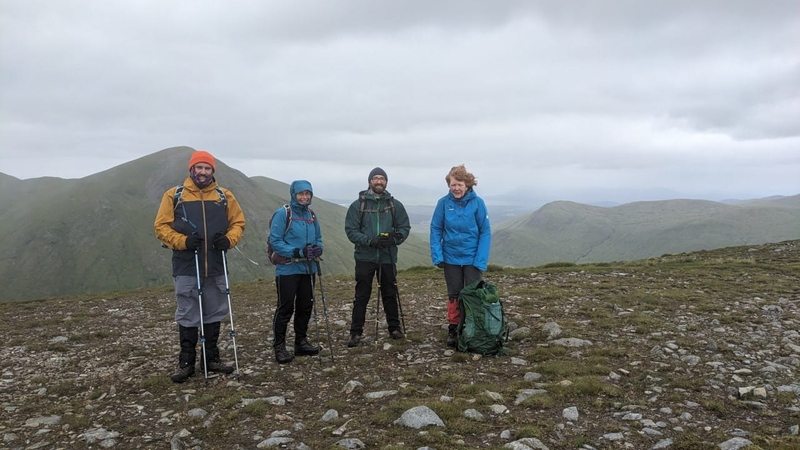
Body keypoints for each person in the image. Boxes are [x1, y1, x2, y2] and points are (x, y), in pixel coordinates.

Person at [154, 150, 246, 383]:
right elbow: (161, 227)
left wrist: (229, 240)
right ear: (191, 170)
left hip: (215, 264)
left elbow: (238, 223)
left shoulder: (224, 196)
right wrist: (183, 242)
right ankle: (186, 362)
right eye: (199, 168)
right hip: (187, 264)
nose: (203, 172)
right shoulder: (175, 195)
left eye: (207, 168)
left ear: (212, 171)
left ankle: (210, 359)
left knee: (214, 311)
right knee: (188, 313)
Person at [344, 167, 411, 347]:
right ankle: (355, 332)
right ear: (369, 182)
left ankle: (394, 328)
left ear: (386, 182)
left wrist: (395, 239)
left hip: (387, 257)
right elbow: (351, 231)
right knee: (362, 295)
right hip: (365, 257)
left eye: (382, 178)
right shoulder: (357, 206)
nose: (379, 181)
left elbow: (404, 227)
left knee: (390, 293)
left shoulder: (395, 205)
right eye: (375, 178)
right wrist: (370, 241)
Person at [430, 164, 491, 347]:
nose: (456, 188)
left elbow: (485, 232)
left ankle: (474, 327)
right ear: (449, 185)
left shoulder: (478, 203)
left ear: (468, 185)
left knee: (473, 293)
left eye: (460, 184)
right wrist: (437, 255)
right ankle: (454, 329)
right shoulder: (443, 203)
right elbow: (436, 228)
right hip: (451, 258)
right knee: (454, 294)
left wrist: (480, 259)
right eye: (453, 185)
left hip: (472, 257)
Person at [268, 180, 323, 363]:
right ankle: (279, 346)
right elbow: (275, 241)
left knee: (305, 306)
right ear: (294, 194)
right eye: (301, 194)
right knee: (285, 307)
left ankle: (301, 342)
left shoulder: (312, 215)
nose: (304, 197)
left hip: (308, 268)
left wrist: (318, 249)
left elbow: (319, 238)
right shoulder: (283, 214)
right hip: (288, 268)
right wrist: (296, 252)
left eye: (307, 194)